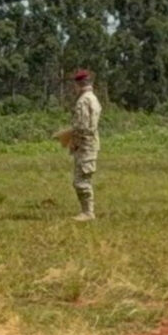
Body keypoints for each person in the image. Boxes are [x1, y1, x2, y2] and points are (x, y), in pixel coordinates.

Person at [67, 69, 102, 221]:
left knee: (81, 181)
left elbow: (82, 126)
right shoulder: (93, 98)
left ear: (79, 84)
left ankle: (88, 212)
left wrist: (73, 140)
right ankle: (87, 211)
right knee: (82, 178)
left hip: (85, 145)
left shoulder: (83, 101)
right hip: (89, 143)